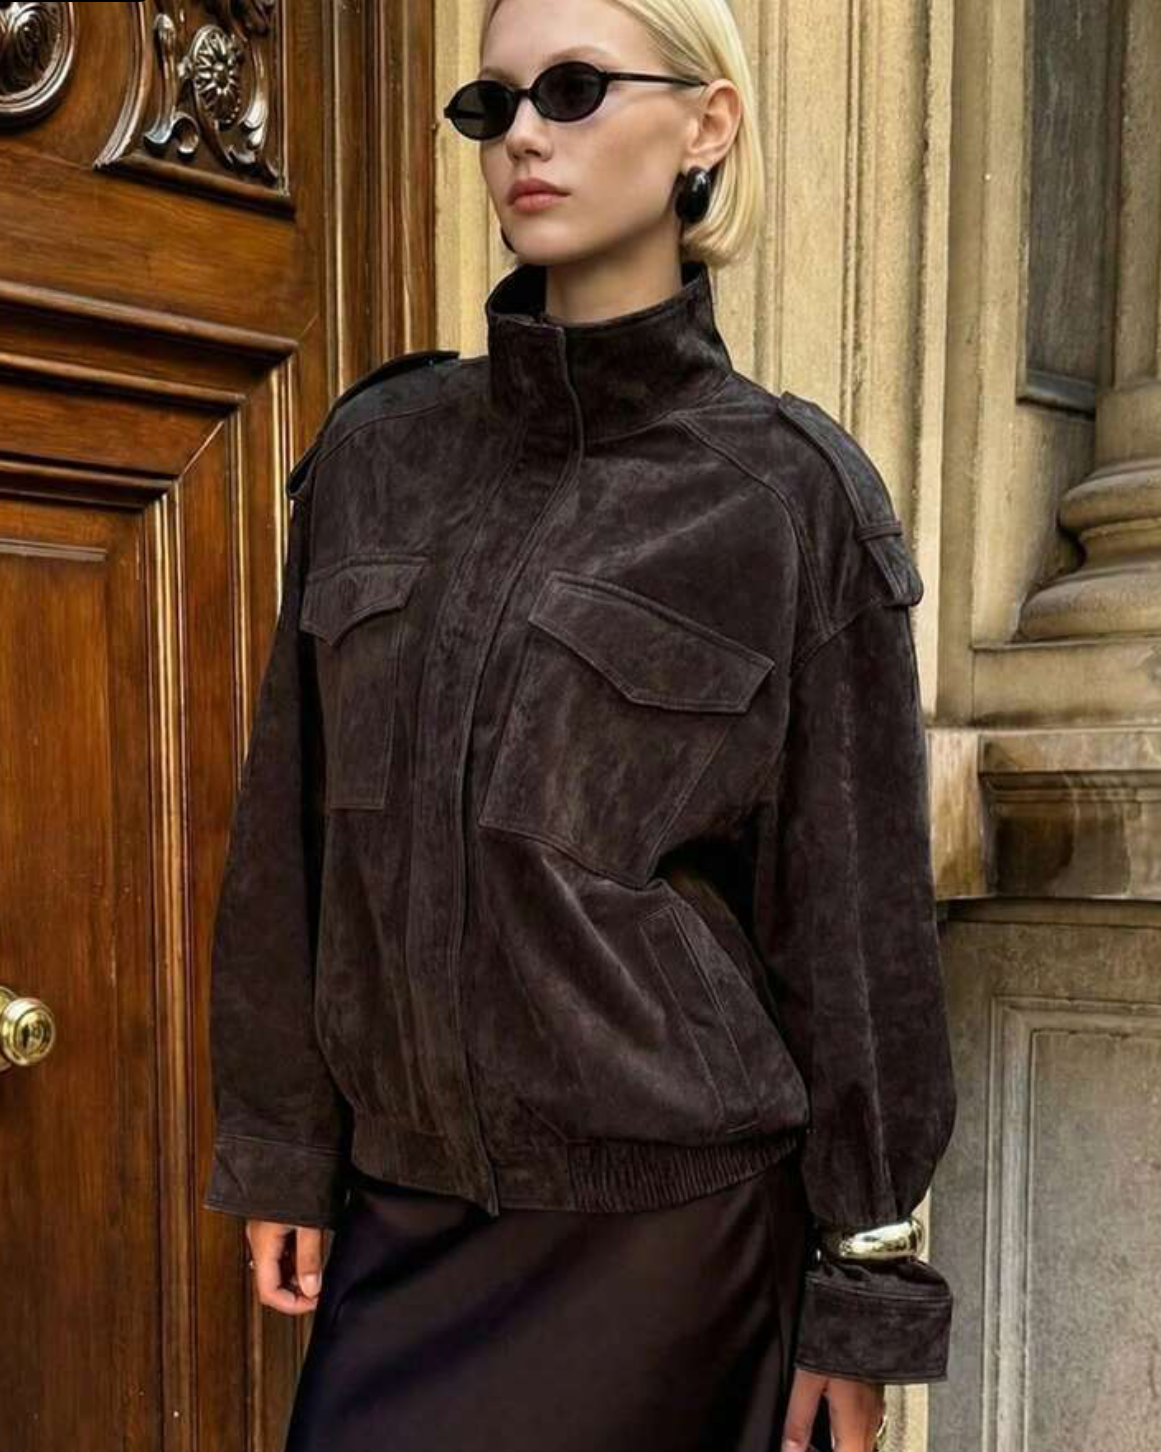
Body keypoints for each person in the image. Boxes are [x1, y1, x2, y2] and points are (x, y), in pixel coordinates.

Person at [201, 2, 958, 1450]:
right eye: (493, 105)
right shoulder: (378, 453)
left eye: (573, 88)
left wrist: (862, 1290)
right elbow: (287, 839)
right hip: (405, 1216)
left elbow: (858, 931)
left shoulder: (787, 498)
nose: (524, 137)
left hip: (674, 1243)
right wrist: (282, 1143)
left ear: (707, 124)